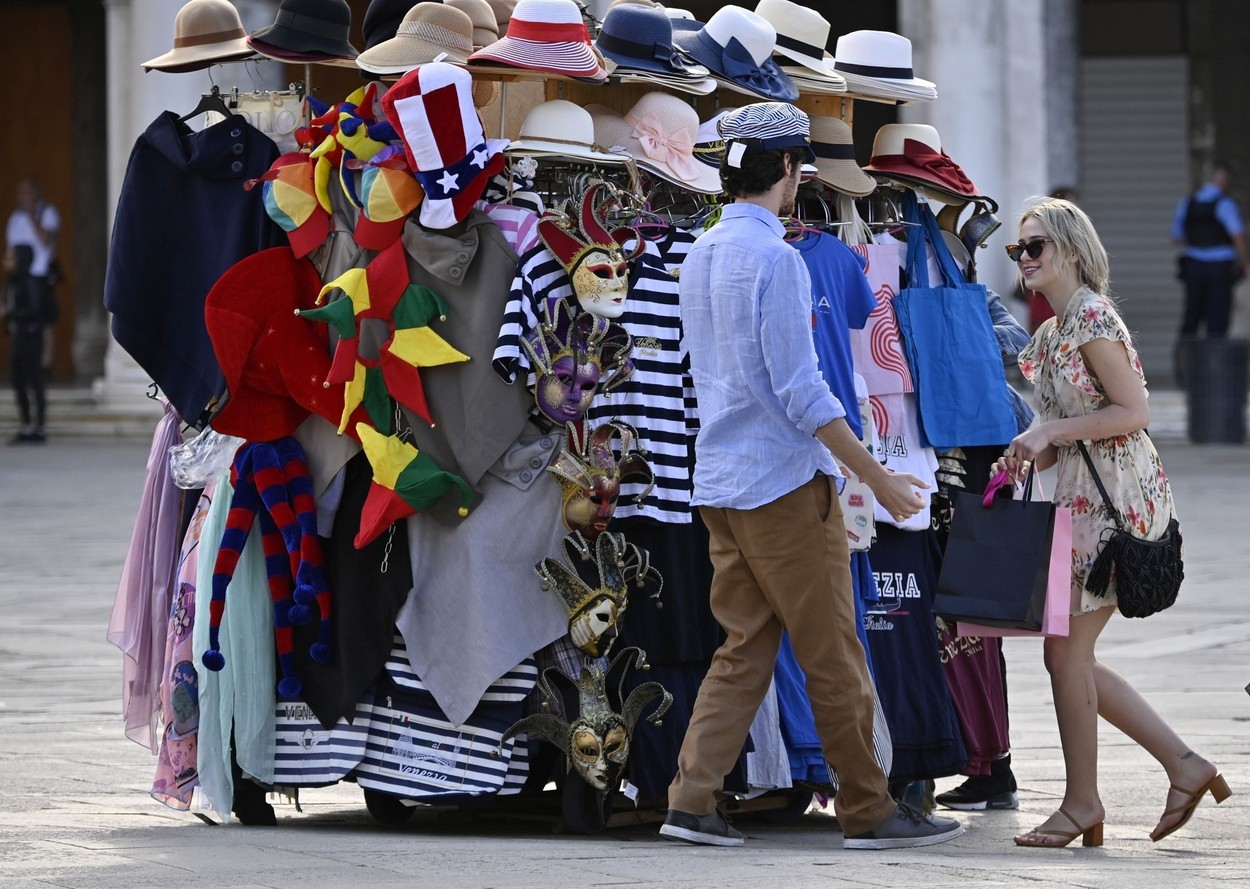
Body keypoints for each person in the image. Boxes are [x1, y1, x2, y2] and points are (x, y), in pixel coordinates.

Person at [658, 102, 963, 851]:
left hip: (723, 481)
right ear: (789, 173)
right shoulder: (777, 260)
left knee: (745, 648)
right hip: (785, 486)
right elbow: (804, 394)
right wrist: (880, 478)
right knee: (833, 650)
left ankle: (692, 798)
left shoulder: (703, 252)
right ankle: (867, 807)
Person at [995, 197, 1229, 847]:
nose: (1023, 258)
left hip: (1120, 499)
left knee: (1064, 651)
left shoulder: (1093, 316)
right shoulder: (1049, 333)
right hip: (1079, 496)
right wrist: (1026, 449)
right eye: (1018, 249)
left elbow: (1133, 410)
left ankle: (1083, 803)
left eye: (1034, 245)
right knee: (1069, 653)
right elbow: (1063, 430)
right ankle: (1182, 765)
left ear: (1069, 248)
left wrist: (1052, 429)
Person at [4, 177, 59, 443]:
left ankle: (45, 362)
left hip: (39, 275)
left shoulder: (46, 212)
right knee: (20, 376)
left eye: (28, 192)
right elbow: (12, 250)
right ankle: (27, 423)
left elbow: (45, 239)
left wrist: (32, 214)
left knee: (35, 370)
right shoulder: (14, 219)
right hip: (20, 279)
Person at [1171, 162, 1248, 338]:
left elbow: (1178, 236)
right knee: (1218, 317)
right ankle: (1215, 362)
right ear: (1224, 181)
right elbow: (1238, 236)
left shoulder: (1188, 202)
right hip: (1219, 268)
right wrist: (1246, 262)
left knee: (1192, 315)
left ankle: (1187, 362)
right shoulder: (1225, 204)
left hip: (1193, 266)